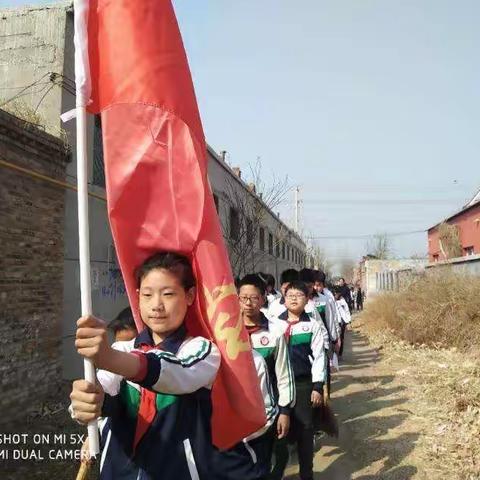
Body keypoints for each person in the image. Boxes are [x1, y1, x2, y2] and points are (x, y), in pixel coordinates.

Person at [70, 252, 221, 480]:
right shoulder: (122, 349)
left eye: (168, 294)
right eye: (148, 295)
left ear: (189, 295)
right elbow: (103, 389)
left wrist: (108, 358)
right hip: (117, 472)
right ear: (138, 296)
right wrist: (86, 403)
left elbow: (176, 372)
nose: (156, 305)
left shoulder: (203, 351)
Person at [270, 281, 327, 480]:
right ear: (284, 299)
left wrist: (318, 387)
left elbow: (319, 357)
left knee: (305, 434)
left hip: (303, 385)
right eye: (290, 295)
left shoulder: (312, 325)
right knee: (278, 436)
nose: (294, 298)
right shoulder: (273, 325)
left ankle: (306, 475)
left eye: (299, 295)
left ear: (307, 299)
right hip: (277, 388)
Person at [333, 287, 351, 357]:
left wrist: (348, 321)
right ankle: (336, 352)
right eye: (334, 294)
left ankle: (339, 352)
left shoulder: (343, 302)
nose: (335, 295)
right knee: (335, 337)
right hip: (335, 321)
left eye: (336, 294)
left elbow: (346, 311)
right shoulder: (332, 301)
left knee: (341, 337)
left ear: (339, 294)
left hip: (341, 322)